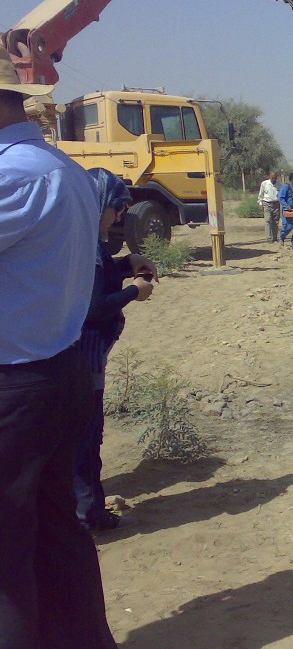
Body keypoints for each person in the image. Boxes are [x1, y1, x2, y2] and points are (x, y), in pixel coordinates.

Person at [0, 45, 120, 649]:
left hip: (15, 388)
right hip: (56, 374)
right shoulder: (60, 169)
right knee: (54, 540)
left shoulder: (14, 177)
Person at [74, 168, 158, 533]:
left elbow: (98, 280)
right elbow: (94, 307)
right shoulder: (87, 248)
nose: (120, 216)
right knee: (86, 438)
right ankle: (89, 514)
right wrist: (134, 292)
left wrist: (125, 266)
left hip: (82, 356)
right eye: (117, 208)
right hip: (83, 358)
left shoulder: (85, 242)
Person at [278, 172, 293, 248]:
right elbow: (281, 198)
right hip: (289, 211)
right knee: (289, 226)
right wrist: (286, 206)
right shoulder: (285, 187)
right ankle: (282, 236)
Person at [257, 171, 280, 243]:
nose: (273, 179)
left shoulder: (279, 184)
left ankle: (275, 237)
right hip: (267, 203)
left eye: (275, 178)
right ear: (269, 177)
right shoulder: (264, 183)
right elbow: (261, 195)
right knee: (268, 220)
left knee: (275, 221)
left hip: (276, 204)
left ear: (276, 177)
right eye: (272, 177)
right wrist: (260, 203)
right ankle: (269, 238)